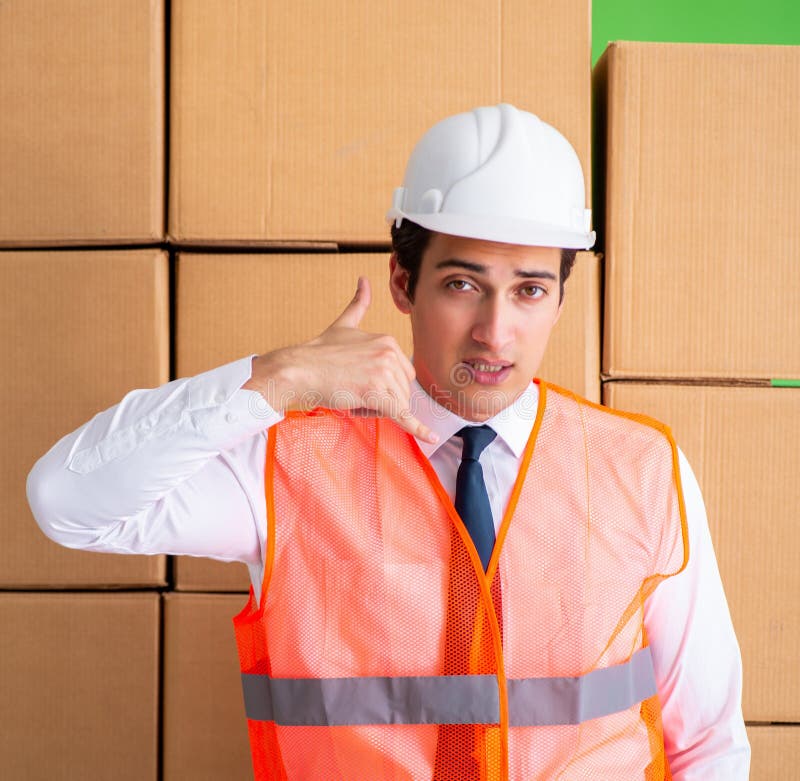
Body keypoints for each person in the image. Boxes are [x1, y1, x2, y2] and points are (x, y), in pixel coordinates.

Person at [27, 104, 749, 779]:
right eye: (463, 284)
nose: (495, 332)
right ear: (404, 282)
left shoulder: (645, 470)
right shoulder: (290, 466)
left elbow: (707, 737)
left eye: (529, 290)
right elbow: (66, 499)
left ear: (561, 296)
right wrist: (279, 376)